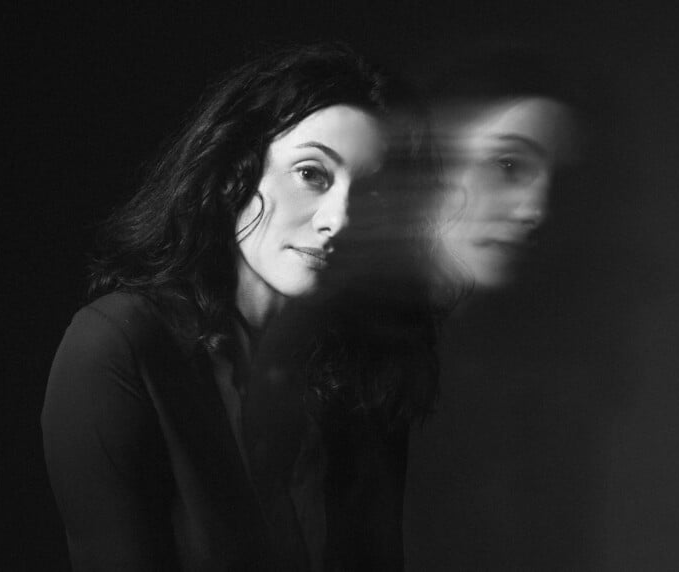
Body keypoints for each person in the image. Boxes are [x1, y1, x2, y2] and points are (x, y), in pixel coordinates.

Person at [42, 43, 437, 572]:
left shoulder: (362, 374)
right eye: (312, 174)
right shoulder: (117, 345)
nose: (339, 220)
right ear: (235, 173)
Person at [405, 45, 592, 571]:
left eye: (554, 177)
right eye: (508, 165)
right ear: (426, 159)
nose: (536, 210)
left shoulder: (523, 380)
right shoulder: (329, 363)